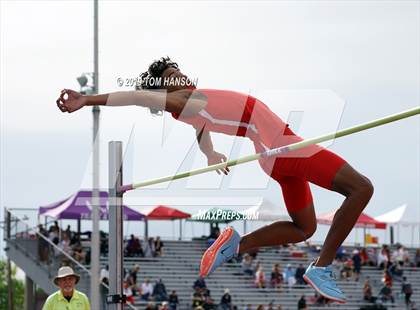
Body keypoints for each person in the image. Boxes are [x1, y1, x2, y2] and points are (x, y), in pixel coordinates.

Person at [57, 56, 375, 304]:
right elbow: (136, 97)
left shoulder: (192, 105)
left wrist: (209, 154)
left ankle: (236, 245)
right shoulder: (179, 100)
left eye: (178, 70)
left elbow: (202, 130)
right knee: (361, 188)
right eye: (170, 76)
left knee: (305, 228)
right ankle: (322, 266)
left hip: (272, 154)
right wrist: (87, 99)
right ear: (161, 89)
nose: (180, 75)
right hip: (283, 147)